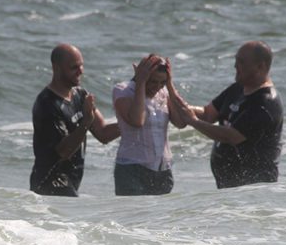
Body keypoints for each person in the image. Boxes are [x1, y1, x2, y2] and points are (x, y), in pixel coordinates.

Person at [177, 41, 283, 188]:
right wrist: (176, 105)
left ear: (261, 66)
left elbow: (231, 136)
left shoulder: (265, 102)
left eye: (241, 62)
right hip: (230, 189)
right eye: (236, 60)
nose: (235, 66)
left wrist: (193, 121)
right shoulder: (238, 88)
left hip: (255, 188)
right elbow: (208, 114)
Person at [30, 43, 119, 196]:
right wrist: (86, 122)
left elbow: (103, 133)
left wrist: (133, 121)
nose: (80, 71)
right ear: (56, 68)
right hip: (49, 184)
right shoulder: (47, 104)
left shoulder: (80, 95)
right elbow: (64, 152)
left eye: (81, 66)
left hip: (71, 182)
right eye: (74, 67)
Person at [111, 54, 187, 195]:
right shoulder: (123, 91)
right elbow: (137, 121)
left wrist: (169, 86)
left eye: (162, 82)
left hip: (162, 170)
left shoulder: (164, 92)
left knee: (162, 217)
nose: (157, 87)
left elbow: (181, 122)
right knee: (134, 216)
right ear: (142, 76)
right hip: (132, 170)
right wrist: (140, 84)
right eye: (153, 81)